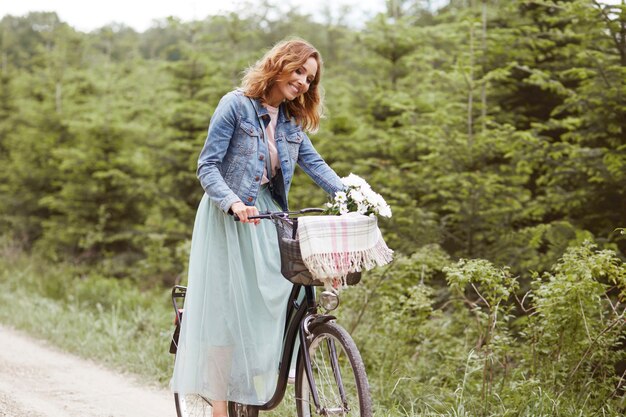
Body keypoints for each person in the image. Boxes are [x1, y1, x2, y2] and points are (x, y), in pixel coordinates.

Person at [170, 38, 344, 417]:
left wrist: (353, 197)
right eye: (298, 71)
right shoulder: (235, 105)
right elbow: (207, 166)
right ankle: (219, 406)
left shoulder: (292, 121)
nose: (302, 83)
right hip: (229, 213)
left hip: (267, 215)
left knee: (278, 294)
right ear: (279, 64)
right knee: (227, 311)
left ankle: (253, 385)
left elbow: (315, 166)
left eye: (309, 79)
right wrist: (232, 202)